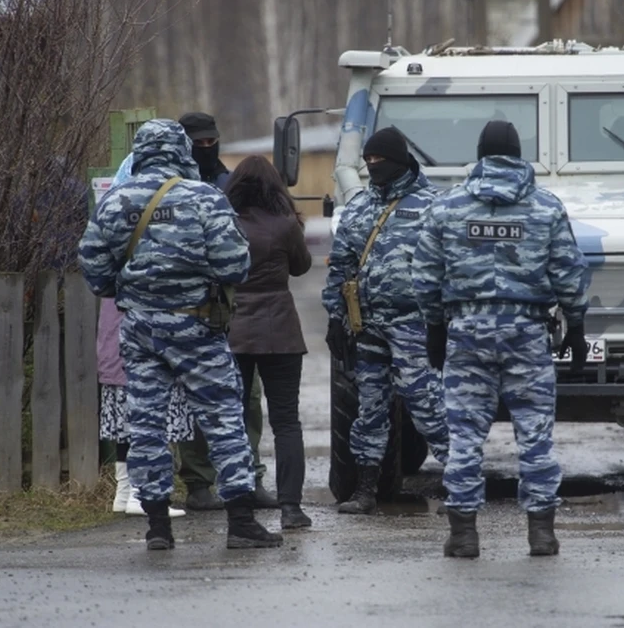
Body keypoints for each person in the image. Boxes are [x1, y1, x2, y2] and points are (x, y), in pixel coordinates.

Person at [78, 118, 282, 551]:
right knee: (223, 419)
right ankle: (242, 523)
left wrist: (132, 289)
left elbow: (94, 271)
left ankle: (157, 528)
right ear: (181, 151)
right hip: (198, 327)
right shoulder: (205, 198)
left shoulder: (115, 202)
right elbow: (235, 266)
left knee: (146, 424)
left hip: (140, 329)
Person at [411, 120, 590, 558]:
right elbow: (569, 274)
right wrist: (578, 326)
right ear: (517, 153)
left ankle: (464, 534)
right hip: (527, 333)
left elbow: (423, 276)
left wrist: (435, 327)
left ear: (482, 154)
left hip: (467, 334)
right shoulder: (546, 207)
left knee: (465, 436)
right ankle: (542, 533)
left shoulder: (447, 206)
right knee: (535, 434)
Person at [322, 127, 451, 515]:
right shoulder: (360, 207)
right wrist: (335, 317)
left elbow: (450, 267)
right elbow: (341, 265)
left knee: (426, 403)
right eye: (368, 161)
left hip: (414, 324)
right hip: (367, 325)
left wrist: (442, 323)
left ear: (399, 161)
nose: (373, 167)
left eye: (380, 161)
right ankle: (365, 488)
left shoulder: (434, 206)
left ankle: (461, 479)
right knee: (370, 406)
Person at [177, 111, 278, 510]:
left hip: (233, 310)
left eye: (210, 142)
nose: (206, 148)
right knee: (193, 400)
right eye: (197, 143)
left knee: (247, 398)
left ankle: (249, 480)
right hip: (185, 311)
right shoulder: (171, 187)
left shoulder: (229, 184)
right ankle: (198, 484)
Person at [223, 155, 313, 530]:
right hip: (281, 332)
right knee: (286, 421)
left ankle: (241, 499)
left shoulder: (225, 224)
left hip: (235, 332)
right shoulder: (286, 224)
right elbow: (302, 266)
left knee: (234, 418)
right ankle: (291, 508)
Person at [96, 156, 188, 518]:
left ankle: (123, 492)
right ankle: (140, 495)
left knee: (124, 416)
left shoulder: (110, 213)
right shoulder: (161, 218)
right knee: (150, 415)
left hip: (113, 327)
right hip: (146, 330)